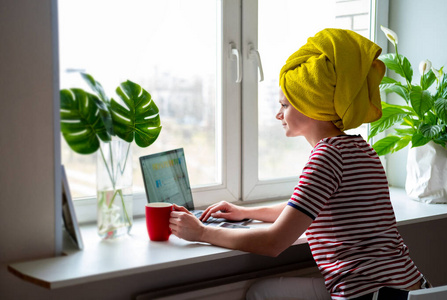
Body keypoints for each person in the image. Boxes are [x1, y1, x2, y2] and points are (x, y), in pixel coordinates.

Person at [169, 28, 429, 299]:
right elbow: (308, 206)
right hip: (409, 288)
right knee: (263, 292)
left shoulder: (326, 157)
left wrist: (200, 232)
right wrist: (246, 212)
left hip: (366, 295)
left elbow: (273, 243)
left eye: (285, 105)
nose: (278, 113)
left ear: (312, 106)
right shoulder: (361, 149)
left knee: (262, 293)